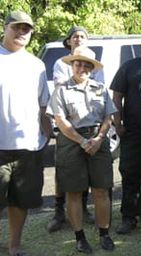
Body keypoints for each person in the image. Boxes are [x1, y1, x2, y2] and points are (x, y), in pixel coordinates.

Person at [46, 47, 116, 253]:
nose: (82, 67)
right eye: (79, 63)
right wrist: (81, 141)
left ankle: (104, 234)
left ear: (92, 68)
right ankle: (80, 237)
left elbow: (108, 116)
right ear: (72, 65)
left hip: (98, 138)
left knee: (101, 190)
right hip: (71, 140)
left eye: (87, 65)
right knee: (74, 191)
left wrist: (99, 138)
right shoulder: (61, 90)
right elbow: (60, 120)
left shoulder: (100, 88)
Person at [0, 10, 51, 256]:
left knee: (20, 201)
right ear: (5, 27)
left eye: (26, 29)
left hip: (29, 146)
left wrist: (47, 132)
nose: (21, 32)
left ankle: (14, 246)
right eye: (17, 27)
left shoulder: (37, 65)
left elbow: (43, 105)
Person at [47, 26, 99, 233]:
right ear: (68, 41)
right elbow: (63, 86)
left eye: (82, 36)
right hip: (67, 121)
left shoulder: (93, 62)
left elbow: (97, 86)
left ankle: (83, 209)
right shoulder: (61, 63)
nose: (78, 39)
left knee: (85, 169)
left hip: (89, 123)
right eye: (75, 36)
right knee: (62, 170)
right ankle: (59, 211)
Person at [110, 30, 141, 234]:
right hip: (132, 131)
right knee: (130, 173)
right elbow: (116, 97)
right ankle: (128, 217)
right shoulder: (129, 67)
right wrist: (118, 123)